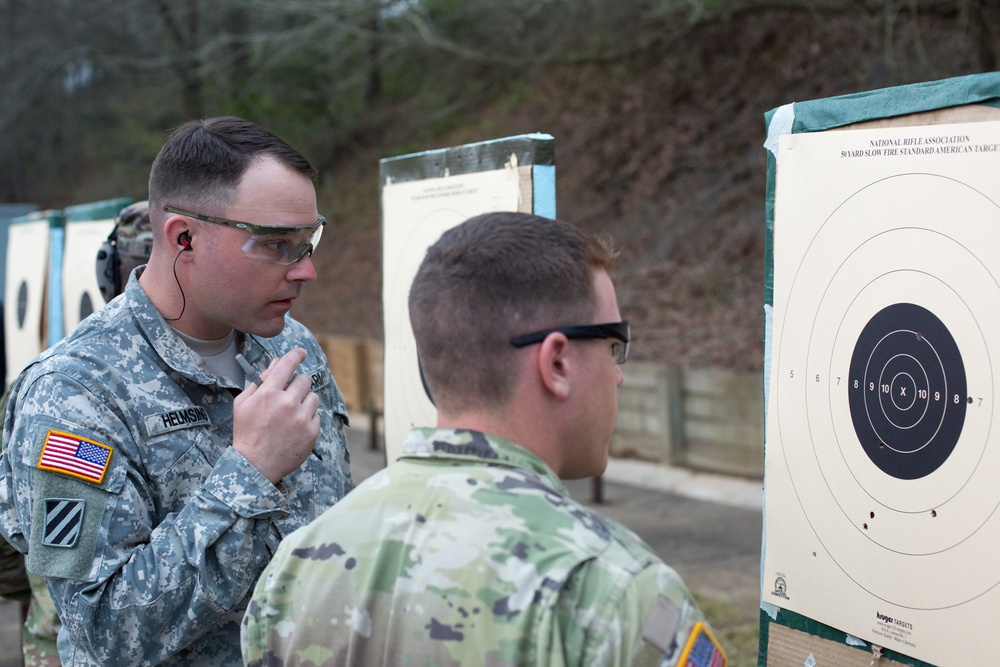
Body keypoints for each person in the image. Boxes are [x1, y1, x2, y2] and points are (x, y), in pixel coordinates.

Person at [242, 211, 726, 666]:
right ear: (557, 362)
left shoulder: (296, 566)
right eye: (611, 344)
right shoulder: (610, 587)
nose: (617, 375)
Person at [0, 116, 354, 666]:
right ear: (183, 237)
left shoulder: (290, 346)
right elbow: (103, 630)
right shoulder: (73, 395)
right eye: (277, 244)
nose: (305, 270)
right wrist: (250, 474)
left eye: (308, 242)